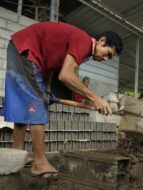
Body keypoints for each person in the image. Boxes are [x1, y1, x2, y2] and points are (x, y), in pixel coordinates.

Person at [2, 22, 123, 178]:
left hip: (21, 47)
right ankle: (39, 162)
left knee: (26, 105)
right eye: (108, 53)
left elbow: (55, 63)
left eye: (109, 58)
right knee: (38, 103)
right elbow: (66, 75)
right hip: (27, 49)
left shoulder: (83, 50)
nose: (105, 59)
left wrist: (47, 88)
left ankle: (16, 155)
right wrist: (95, 97)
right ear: (101, 40)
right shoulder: (84, 41)